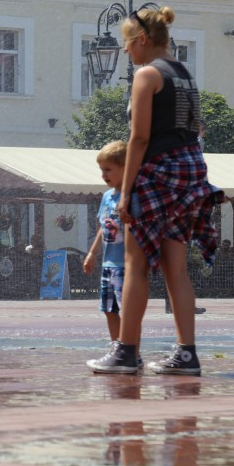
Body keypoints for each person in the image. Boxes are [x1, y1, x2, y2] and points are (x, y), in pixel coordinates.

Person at [87, 6, 223, 376]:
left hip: (158, 173)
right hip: (191, 172)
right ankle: (186, 354)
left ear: (143, 40)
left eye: (128, 45)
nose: (126, 53)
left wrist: (127, 192)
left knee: (136, 264)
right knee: (176, 268)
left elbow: (140, 137)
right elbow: (195, 128)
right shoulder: (184, 74)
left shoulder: (147, 75)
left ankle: (126, 352)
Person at [82, 141, 142, 367]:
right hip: (109, 263)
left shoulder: (132, 197)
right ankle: (117, 348)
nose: (103, 175)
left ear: (126, 168)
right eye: (102, 170)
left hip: (127, 264)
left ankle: (133, 354)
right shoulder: (107, 197)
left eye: (108, 169)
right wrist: (92, 253)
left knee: (128, 313)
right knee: (109, 310)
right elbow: (102, 228)